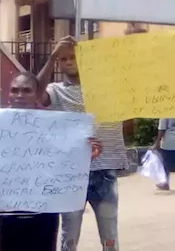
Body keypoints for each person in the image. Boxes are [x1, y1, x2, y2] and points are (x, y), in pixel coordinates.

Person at [0, 72, 102, 251]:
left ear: (37, 94)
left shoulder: (57, 125)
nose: (20, 95)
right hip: (5, 214)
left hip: (44, 214)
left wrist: (87, 153)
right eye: (15, 90)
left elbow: (66, 161)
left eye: (26, 90)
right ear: (8, 94)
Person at [37, 35, 129, 251]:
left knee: (110, 239)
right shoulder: (55, 90)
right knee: (69, 240)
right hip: (70, 175)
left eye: (74, 57)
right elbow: (36, 95)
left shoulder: (107, 89)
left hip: (104, 172)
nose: (69, 61)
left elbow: (141, 82)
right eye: (64, 58)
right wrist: (51, 57)